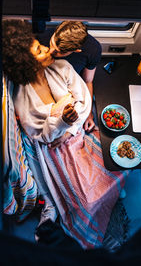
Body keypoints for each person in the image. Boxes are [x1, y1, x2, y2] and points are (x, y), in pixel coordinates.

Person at [2, 19, 128, 250]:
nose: (48, 49)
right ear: (26, 63)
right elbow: (36, 133)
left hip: (75, 135)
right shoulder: (23, 95)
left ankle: (108, 208)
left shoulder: (62, 68)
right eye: (39, 50)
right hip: (53, 151)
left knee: (117, 168)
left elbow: (84, 101)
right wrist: (60, 121)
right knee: (83, 199)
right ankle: (90, 229)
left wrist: (68, 126)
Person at [37, 20, 102, 133]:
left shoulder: (94, 50)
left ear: (76, 50)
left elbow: (88, 81)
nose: (50, 51)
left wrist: (89, 114)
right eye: (52, 43)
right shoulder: (42, 37)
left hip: (69, 86)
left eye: (58, 52)